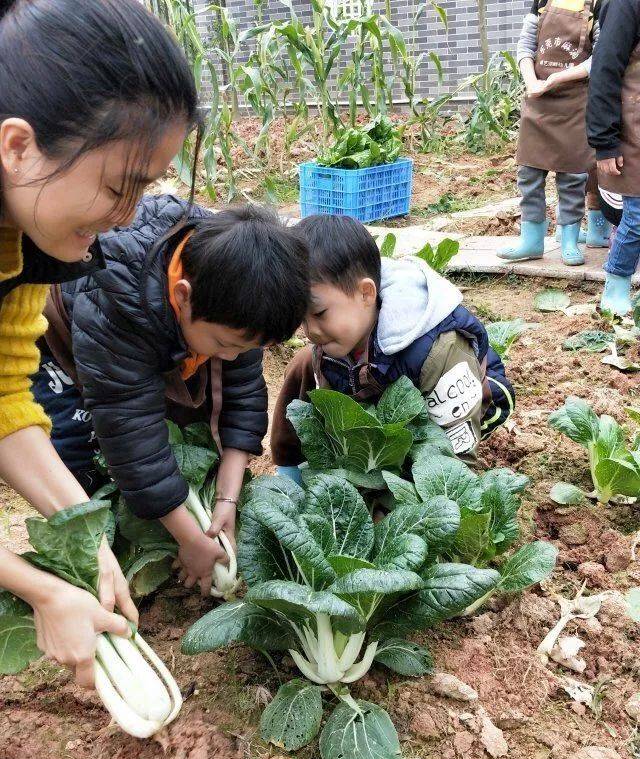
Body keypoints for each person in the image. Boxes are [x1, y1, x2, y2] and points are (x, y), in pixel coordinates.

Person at [0, 0, 200, 686]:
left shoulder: (28, 233)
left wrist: (84, 534)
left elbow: (3, 396)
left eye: (146, 190)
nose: (130, 216)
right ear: (18, 145)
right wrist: (41, 588)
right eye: (120, 187)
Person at [33, 197, 310, 593]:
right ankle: (99, 569)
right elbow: (131, 433)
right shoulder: (119, 305)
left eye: (246, 348)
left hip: (157, 328)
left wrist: (227, 501)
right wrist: (190, 538)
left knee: (195, 420)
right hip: (66, 335)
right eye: (225, 343)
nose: (233, 356)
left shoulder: (238, 292)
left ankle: (169, 524)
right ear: (183, 296)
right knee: (79, 453)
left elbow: (242, 397)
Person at [271, 215, 514, 477]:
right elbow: (333, 410)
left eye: (318, 314)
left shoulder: (437, 350)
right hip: (379, 393)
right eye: (301, 318)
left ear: (366, 294)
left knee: (418, 466)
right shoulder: (337, 333)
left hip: (467, 400)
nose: (310, 330)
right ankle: (290, 472)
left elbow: (456, 460)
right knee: (303, 362)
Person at [498, 0, 603, 266]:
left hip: (574, 103)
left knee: (572, 176)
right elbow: (525, 46)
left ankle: (568, 240)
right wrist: (531, 81)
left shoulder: (596, 5)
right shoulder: (543, 3)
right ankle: (531, 240)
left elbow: (600, 55)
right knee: (529, 174)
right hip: (538, 101)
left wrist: (558, 79)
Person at [587, 0, 640, 314]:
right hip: (632, 126)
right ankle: (616, 286)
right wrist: (604, 141)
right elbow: (604, 69)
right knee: (637, 216)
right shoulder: (626, 4)